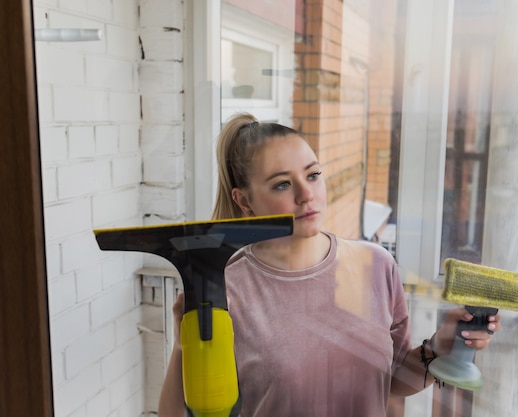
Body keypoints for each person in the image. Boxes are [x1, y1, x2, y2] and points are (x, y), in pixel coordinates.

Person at [158, 113, 500, 417]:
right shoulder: (226, 290)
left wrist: (441, 345)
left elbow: (394, 379)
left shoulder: (376, 265)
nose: (306, 195)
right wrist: (182, 343)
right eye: (282, 183)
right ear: (244, 200)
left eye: (313, 175)